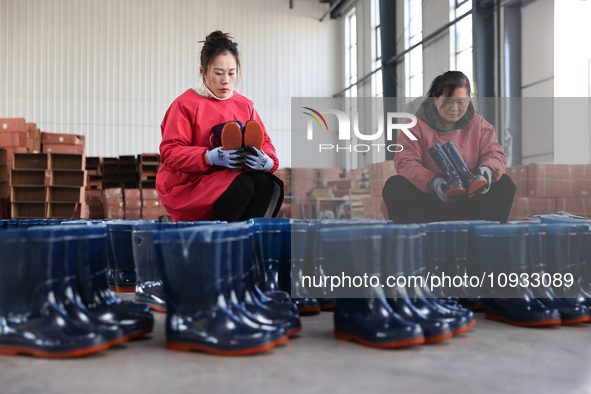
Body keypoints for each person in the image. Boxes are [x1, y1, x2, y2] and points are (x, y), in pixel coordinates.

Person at [156, 31, 283, 222]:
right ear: (202, 71)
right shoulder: (185, 105)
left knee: (266, 183)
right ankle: (216, 240)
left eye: (231, 73)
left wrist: (268, 161)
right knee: (243, 184)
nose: (226, 80)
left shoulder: (245, 105)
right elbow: (170, 153)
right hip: (190, 185)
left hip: (228, 178)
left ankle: (246, 239)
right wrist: (208, 157)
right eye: (218, 73)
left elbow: (264, 141)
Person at [382, 71, 516, 224]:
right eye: (447, 101)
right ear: (435, 99)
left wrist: (488, 171)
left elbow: (494, 153)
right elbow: (405, 162)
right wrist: (433, 181)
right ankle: (417, 240)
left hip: (471, 200)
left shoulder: (479, 125)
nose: (454, 108)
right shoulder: (414, 126)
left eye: (461, 102)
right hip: (432, 201)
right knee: (395, 185)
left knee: (505, 184)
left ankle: (485, 237)